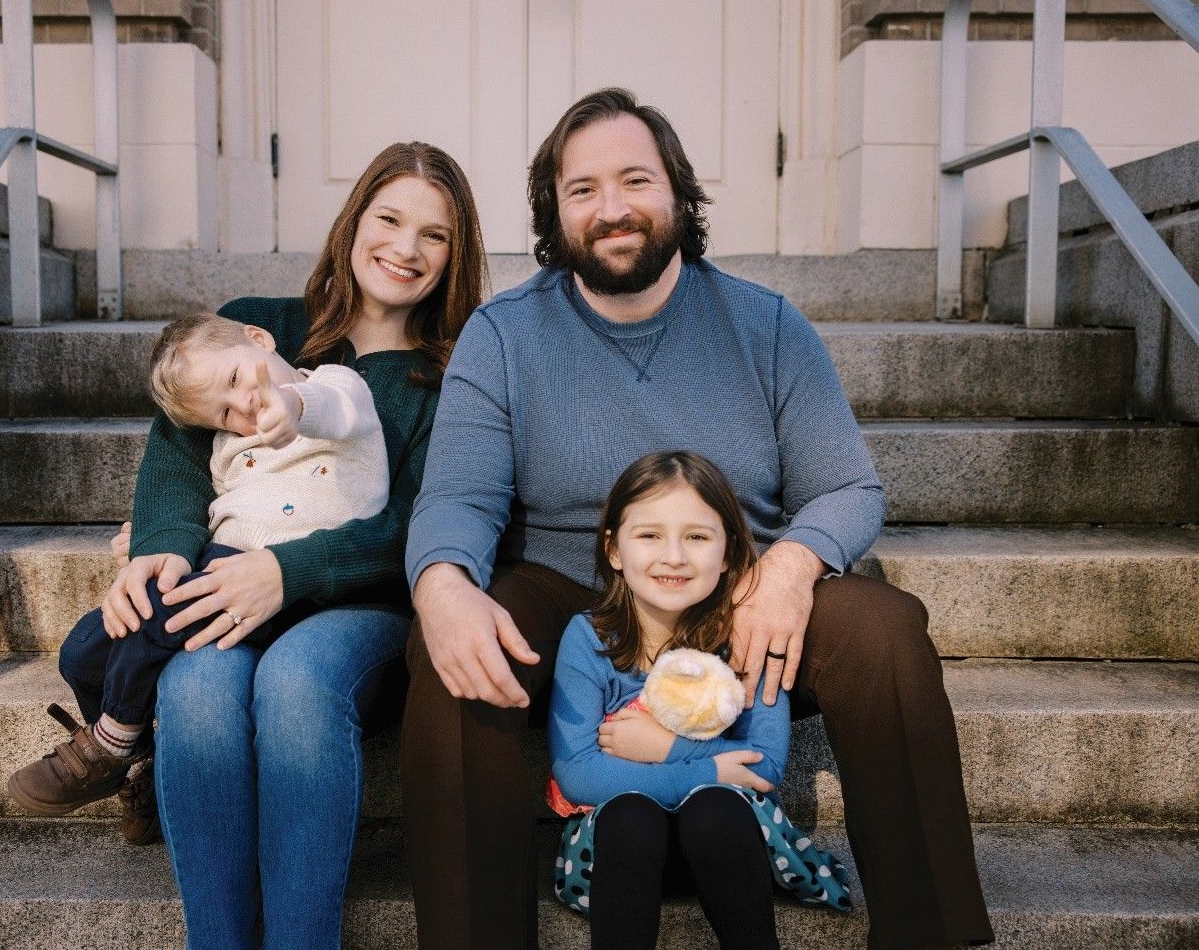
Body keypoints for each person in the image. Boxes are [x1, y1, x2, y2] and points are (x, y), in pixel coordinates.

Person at [402, 88, 993, 949]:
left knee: (886, 629)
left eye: (635, 180)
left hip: (736, 593)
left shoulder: (767, 325)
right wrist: (442, 584)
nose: (612, 210)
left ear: (678, 191)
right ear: (552, 210)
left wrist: (790, 568)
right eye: (582, 189)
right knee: (452, 648)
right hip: (575, 593)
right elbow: (456, 497)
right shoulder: (504, 335)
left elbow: (850, 488)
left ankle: (929, 932)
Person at [64, 141, 488, 950]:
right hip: (231, 578)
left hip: (366, 602)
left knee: (293, 684)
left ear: (456, 252)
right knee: (194, 683)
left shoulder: (453, 373)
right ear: (353, 220)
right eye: (389, 219)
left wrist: (288, 572)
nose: (405, 248)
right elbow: (181, 449)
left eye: (433, 235)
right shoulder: (264, 328)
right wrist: (160, 546)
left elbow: (427, 520)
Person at [7, 313, 389, 817]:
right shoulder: (230, 447)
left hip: (292, 584)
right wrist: (147, 545)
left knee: (161, 616)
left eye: (235, 380)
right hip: (220, 563)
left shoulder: (334, 385)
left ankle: (112, 742)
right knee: (81, 653)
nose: (244, 408)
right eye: (225, 413)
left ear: (260, 336)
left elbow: (338, 408)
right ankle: (149, 762)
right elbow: (221, 511)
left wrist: (293, 405)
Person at [549, 451, 851, 950]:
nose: (674, 556)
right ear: (615, 550)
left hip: (727, 847)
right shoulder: (588, 639)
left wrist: (664, 747)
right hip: (616, 858)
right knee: (631, 816)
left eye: (697, 536)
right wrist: (705, 766)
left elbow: (762, 766)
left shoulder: (748, 636)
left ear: (729, 549)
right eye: (649, 535)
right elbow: (576, 772)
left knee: (715, 807)